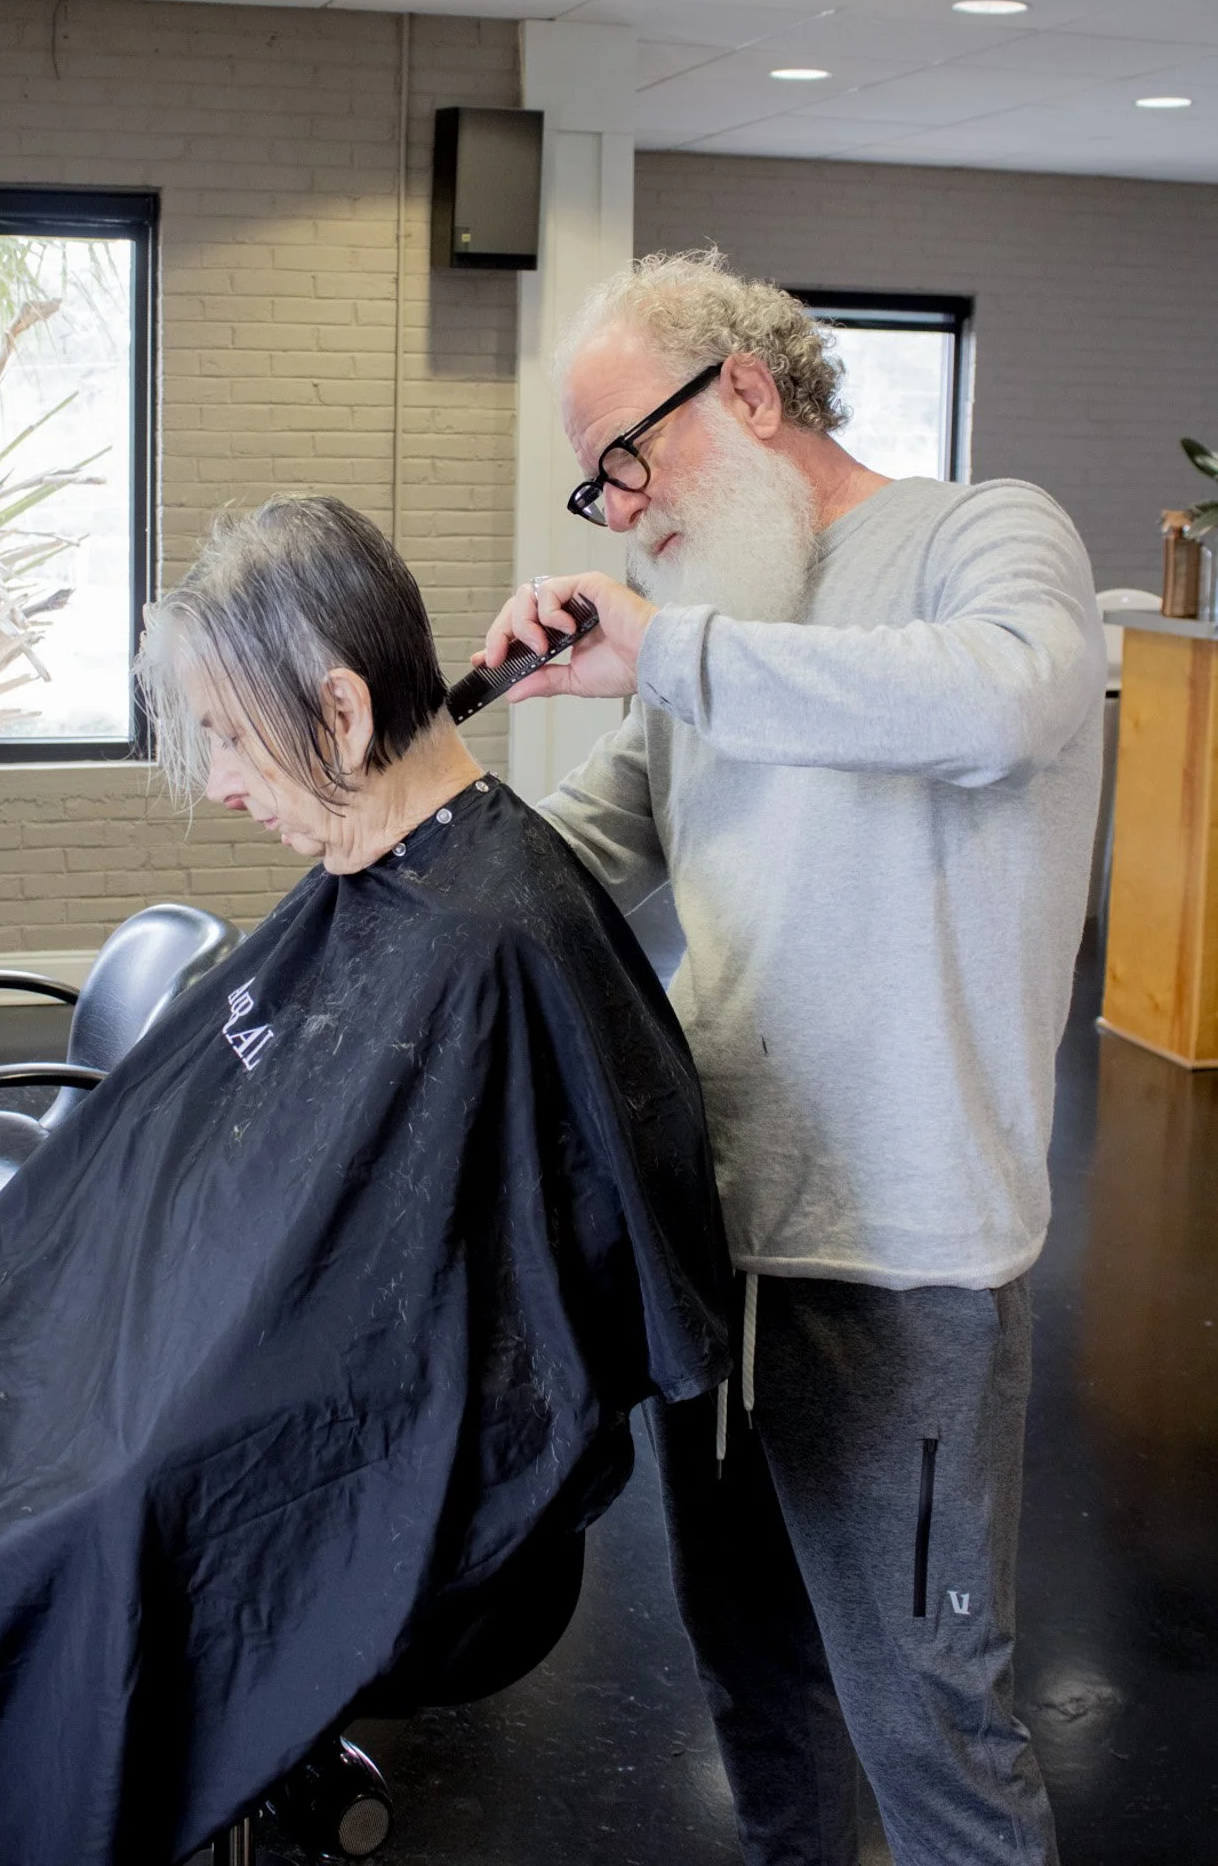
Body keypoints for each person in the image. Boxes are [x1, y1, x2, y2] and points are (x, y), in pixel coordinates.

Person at [0, 495, 730, 1866]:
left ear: (343, 715)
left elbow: (460, 1342)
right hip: (121, 1367)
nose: (222, 782)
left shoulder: (490, 949)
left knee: (19, 1543)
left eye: (229, 736)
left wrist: (147, 1421)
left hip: (239, 1445)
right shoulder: (386, 879)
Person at [480, 251, 1104, 1866]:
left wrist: (667, 651)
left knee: (927, 1718)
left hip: (901, 1271)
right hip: (718, 1247)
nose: (614, 512)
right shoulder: (716, 624)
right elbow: (579, 849)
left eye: (625, 458)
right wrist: (396, 816)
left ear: (745, 394)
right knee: (756, 1692)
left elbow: (1007, 698)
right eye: (594, 486)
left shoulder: (984, 534)